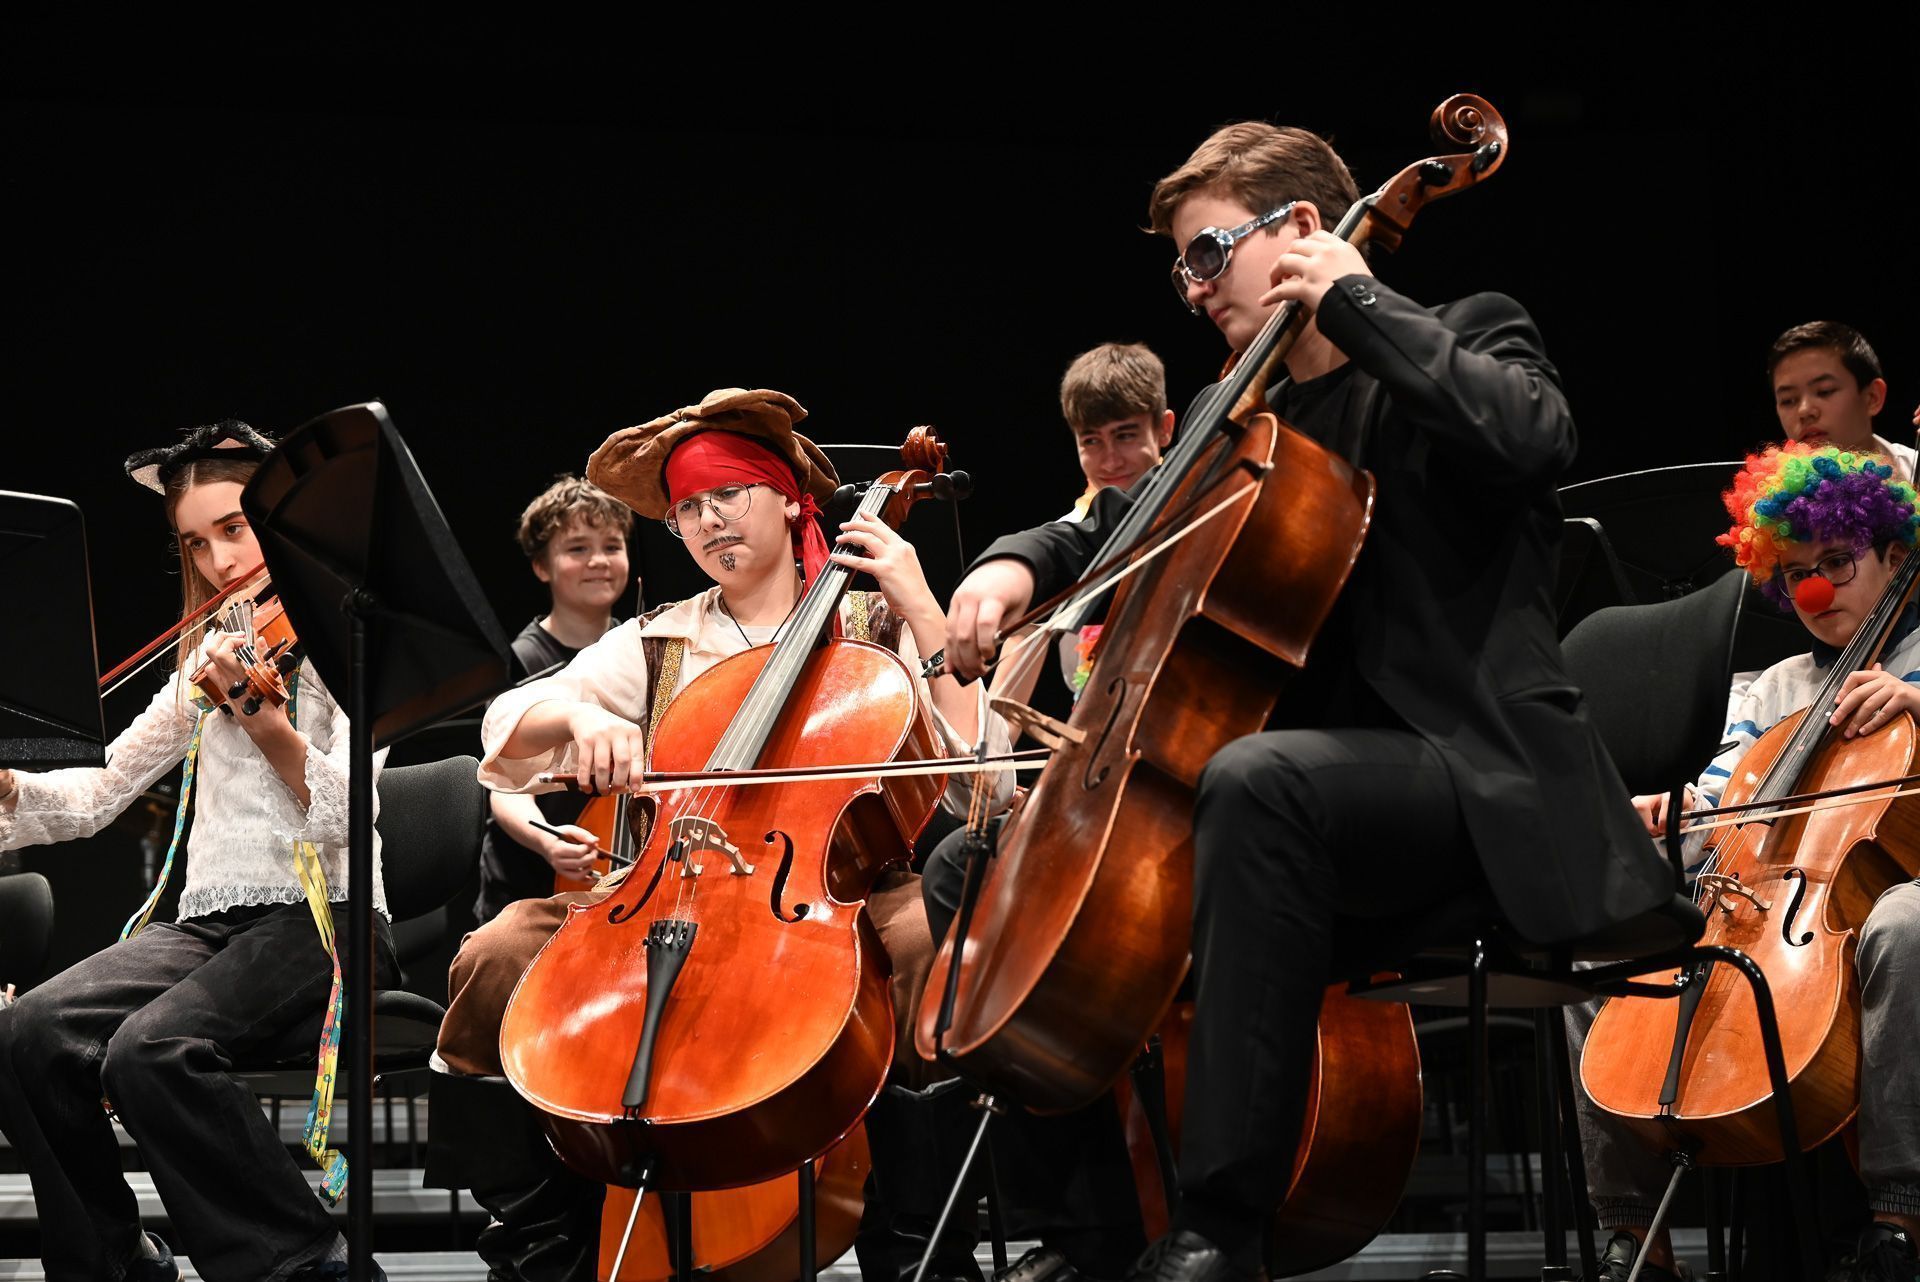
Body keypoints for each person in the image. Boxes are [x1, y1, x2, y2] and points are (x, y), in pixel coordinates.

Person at [934, 120, 1674, 1282]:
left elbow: (1535, 439)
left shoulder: (1466, 330)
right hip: (1316, 826)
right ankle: (1096, 1235)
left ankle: (1223, 1224)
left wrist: (1364, 303)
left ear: (1300, 232)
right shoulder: (1245, 419)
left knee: (1255, 783)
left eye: (1206, 252)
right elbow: (1117, 526)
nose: (1191, 287)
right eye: (1180, 263)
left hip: (1477, 791)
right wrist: (1015, 564)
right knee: (1003, 874)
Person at [431, 388, 1006, 1282]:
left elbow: (988, 780)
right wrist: (580, 715)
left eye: (726, 495)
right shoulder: (662, 639)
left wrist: (924, 607)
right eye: (687, 511)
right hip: (665, 889)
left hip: (845, 884)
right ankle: (542, 1251)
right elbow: (505, 723)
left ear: (786, 496)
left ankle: (926, 1255)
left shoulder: (874, 620)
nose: (705, 523)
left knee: (930, 941)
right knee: (496, 953)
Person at [0, 420, 395, 1282]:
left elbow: (347, 813)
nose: (219, 561)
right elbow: (101, 792)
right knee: (27, 1031)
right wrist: (14, 792)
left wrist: (269, 724)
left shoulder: (341, 636)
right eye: (196, 542)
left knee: (152, 1049)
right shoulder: (209, 658)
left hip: (324, 920)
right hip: (212, 925)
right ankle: (112, 1261)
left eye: (236, 529)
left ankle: (303, 1263)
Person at [1569, 443, 1920, 1282]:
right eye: (1796, 569)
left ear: (1896, 556)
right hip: (1769, 904)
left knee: (1906, 920)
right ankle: (1633, 1235)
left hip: (1894, 893)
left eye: (1837, 561)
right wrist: (1671, 817)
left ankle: (1902, 1216)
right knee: (1588, 944)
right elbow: (1719, 817)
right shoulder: (1768, 690)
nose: (1815, 590)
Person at [475, 475, 633, 922]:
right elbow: (502, 789)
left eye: (612, 546)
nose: (599, 561)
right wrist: (549, 843)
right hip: (530, 883)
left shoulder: (640, 648)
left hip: (616, 874)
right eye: (578, 548)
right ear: (542, 566)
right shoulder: (521, 662)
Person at [1770, 320, 1913, 480]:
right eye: (1788, 400)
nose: (1804, 410)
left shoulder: (1914, 470)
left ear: (1872, 397)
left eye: (1824, 391)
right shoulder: (1762, 495)